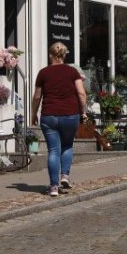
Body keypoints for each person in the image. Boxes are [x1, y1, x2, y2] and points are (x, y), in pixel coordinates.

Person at [31, 42, 88, 198]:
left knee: (54, 151)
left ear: (50, 55)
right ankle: (65, 176)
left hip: (49, 115)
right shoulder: (73, 72)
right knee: (67, 146)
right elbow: (81, 94)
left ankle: (54, 186)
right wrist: (83, 111)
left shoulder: (43, 73)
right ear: (64, 55)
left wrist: (33, 114)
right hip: (70, 115)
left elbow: (37, 97)